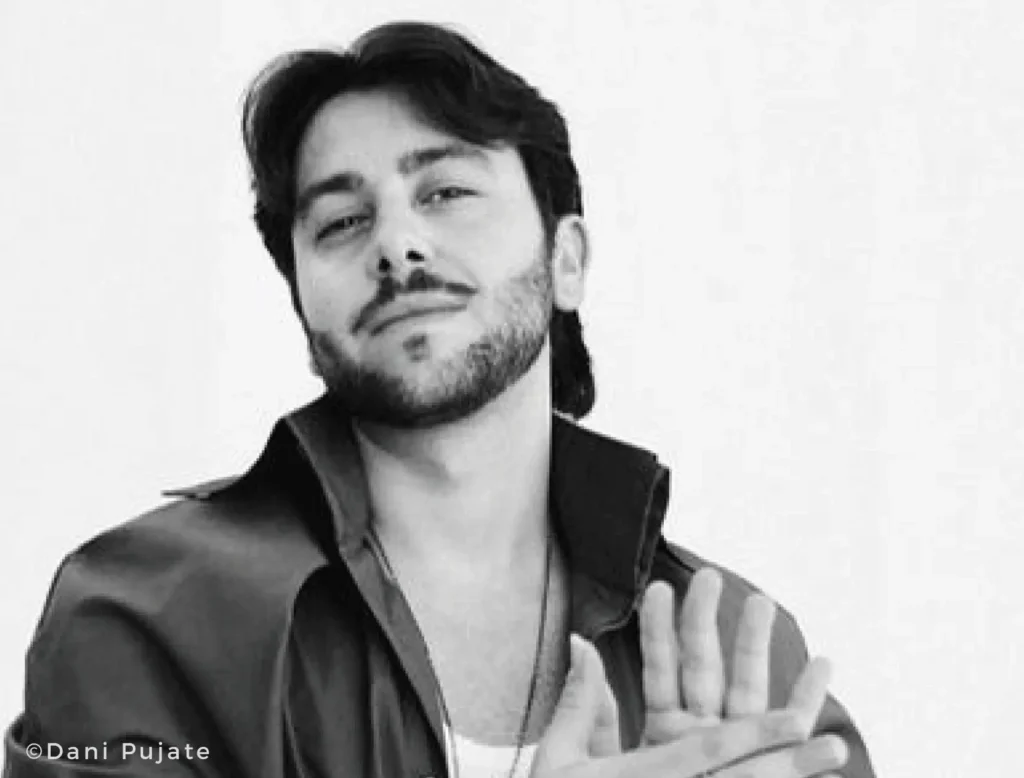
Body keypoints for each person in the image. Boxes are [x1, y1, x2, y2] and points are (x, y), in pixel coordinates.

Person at [3, 21, 875, 778]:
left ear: (567, 259)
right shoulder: (151, 615)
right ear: (303, 307)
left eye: (446, 192)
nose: (397, 244)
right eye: (342, 222)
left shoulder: (730, 658)